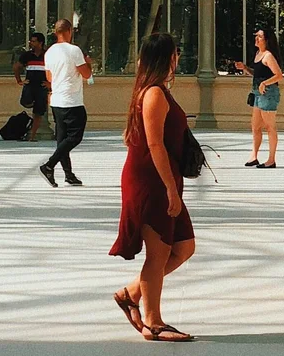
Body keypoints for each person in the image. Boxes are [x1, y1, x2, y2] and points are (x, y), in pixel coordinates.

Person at [111, 33, 196, 342]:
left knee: (184, 246)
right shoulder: (155, 94)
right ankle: (153, 322)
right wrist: (171, 190)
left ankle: (131, 294)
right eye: (175, 54)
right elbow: (155, 146)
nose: (178, 59)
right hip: (152, 181)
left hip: (159, 178)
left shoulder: (155, 91)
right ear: (166, 58)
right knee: (158, 253)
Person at [40, 18, 93, 187]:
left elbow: (49, 77)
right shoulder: (74, 51)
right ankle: (49, 165)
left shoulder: (49, 53)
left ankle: (68, 174)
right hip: (72, 101)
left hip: (56, 101)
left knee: (62, 139)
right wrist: (88, 64)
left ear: (55, 33)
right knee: (75, 137)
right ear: (70, 31)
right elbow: (85, 74)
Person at [233, 26, 284, 167]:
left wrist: (264, 83)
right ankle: (253, 156)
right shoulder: (258, 54)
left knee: (270, 127)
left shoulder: (268, 55)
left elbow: (278, 75)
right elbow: (258, 73)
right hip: (257, 93)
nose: (256, 38)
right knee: (255, 126)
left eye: (260, 36)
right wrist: (245, 68)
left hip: (268, 94)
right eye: (256, 36)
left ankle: (271, 159)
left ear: (266, 40)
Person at [14, 31, 50, 141]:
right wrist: (19, 80)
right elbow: (16, 67)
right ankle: (32, 105)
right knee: (25, 101)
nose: (31, 43)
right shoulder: (27, 55)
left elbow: (54, 69)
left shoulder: (47, 55)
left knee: (38, 112)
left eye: (34, 41)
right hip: (30, 85)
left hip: (42, 87)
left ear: (40, 42)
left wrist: (50, 83)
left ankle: (32, 135)